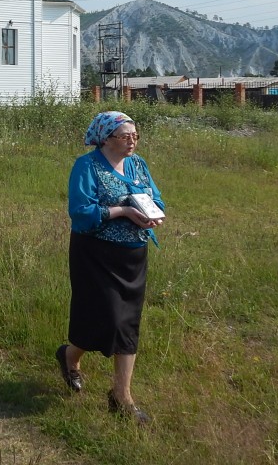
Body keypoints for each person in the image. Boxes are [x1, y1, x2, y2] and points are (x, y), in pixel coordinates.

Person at [58, 111, 164, 426]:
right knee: (102, 319)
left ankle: (122, 396)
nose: (132, 141)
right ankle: (69, 356)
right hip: (95, 254)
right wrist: (124, 212)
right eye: (124, 135)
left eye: (135, 135)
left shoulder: (139, 165)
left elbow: (156, 199)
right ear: (106, 138)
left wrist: (154, 215)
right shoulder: (86, 166)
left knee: (127, 324)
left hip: (133, 255)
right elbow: (80, 211)